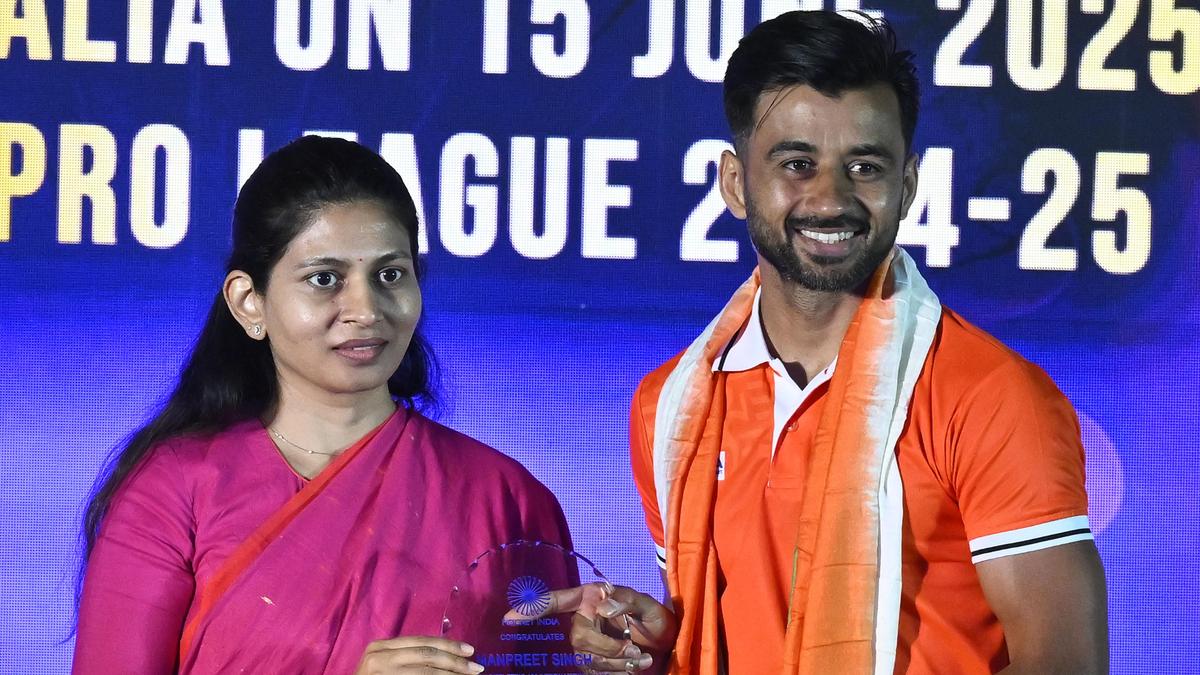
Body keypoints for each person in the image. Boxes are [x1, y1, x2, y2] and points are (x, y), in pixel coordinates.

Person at [572, 10, 1108, 675]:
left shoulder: (991, 396)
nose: (831, 199)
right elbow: (722, 635)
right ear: (735, 183)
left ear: (907, 186)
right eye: (798, 164)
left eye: (865, 166)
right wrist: (648, 648)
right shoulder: (669, 406)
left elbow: (1065, 664)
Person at [73, 136, 573, 674]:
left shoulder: (504, 498)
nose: (366, 310)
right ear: (249, 302)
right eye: (324, 279)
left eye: (390, 274)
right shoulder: (174, 490)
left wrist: (618, 656)